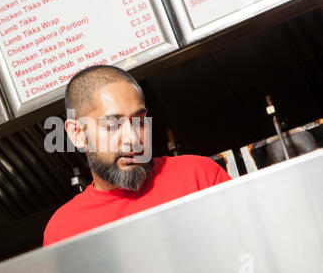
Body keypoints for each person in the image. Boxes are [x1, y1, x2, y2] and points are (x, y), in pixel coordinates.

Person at [43, 65, 231, 247]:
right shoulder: (62, 230)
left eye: (140, 121)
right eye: (112, 125)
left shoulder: (198, 176)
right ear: (78, 134)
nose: (133, 138)